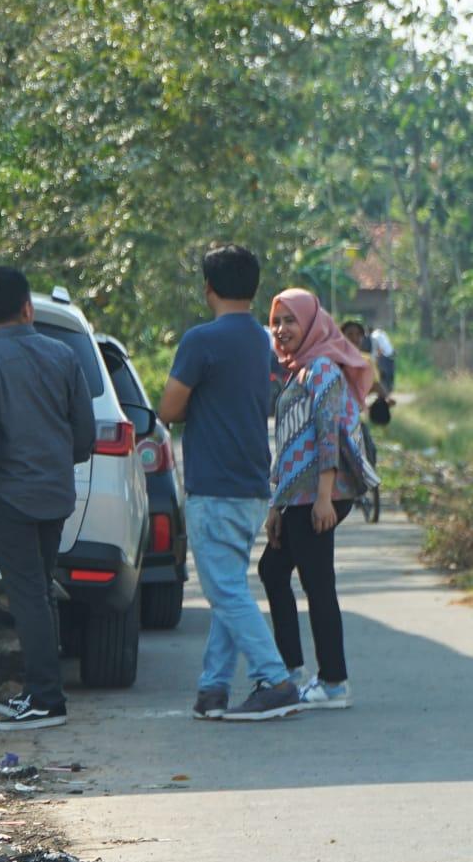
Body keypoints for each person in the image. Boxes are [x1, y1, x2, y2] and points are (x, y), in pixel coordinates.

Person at [159, 244, 300, 722]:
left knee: (224, 591)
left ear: (208, 288)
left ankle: (275, 679)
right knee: (229, 587)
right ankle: (213, 689)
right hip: (252, 483)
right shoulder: (264, 343)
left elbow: (170, 409)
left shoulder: (201, 341)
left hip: (213, 483)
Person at [0, 267, 95, 731]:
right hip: (55, 493)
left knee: (27, 596)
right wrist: (60, 461)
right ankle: (42, 692)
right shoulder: (64, 356)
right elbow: (85, 434)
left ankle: (45, 700)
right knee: (41, 591)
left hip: (9, 497)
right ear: (28, 307)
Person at [261, 288, 373, 710]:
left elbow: (328, 435)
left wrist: (324, 498)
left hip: (320, 495)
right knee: (274, 571)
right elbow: (289, 443)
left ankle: (332, 682)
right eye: (276, 321)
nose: (281, 329)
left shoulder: (323, 368)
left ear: (310, 323)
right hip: (299, 495)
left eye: (290, 320)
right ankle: (294, 671)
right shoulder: (298, 370)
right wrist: (278, 504)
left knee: (316, 582)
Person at [370, 324, 396, 395]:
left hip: (383, 356)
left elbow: (379, 348)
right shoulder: (382, 333)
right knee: (389, 375)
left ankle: (384, 393)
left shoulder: (374, 335)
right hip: (390, 355)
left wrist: (376, 358)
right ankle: (388, 391)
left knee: (382, 375)